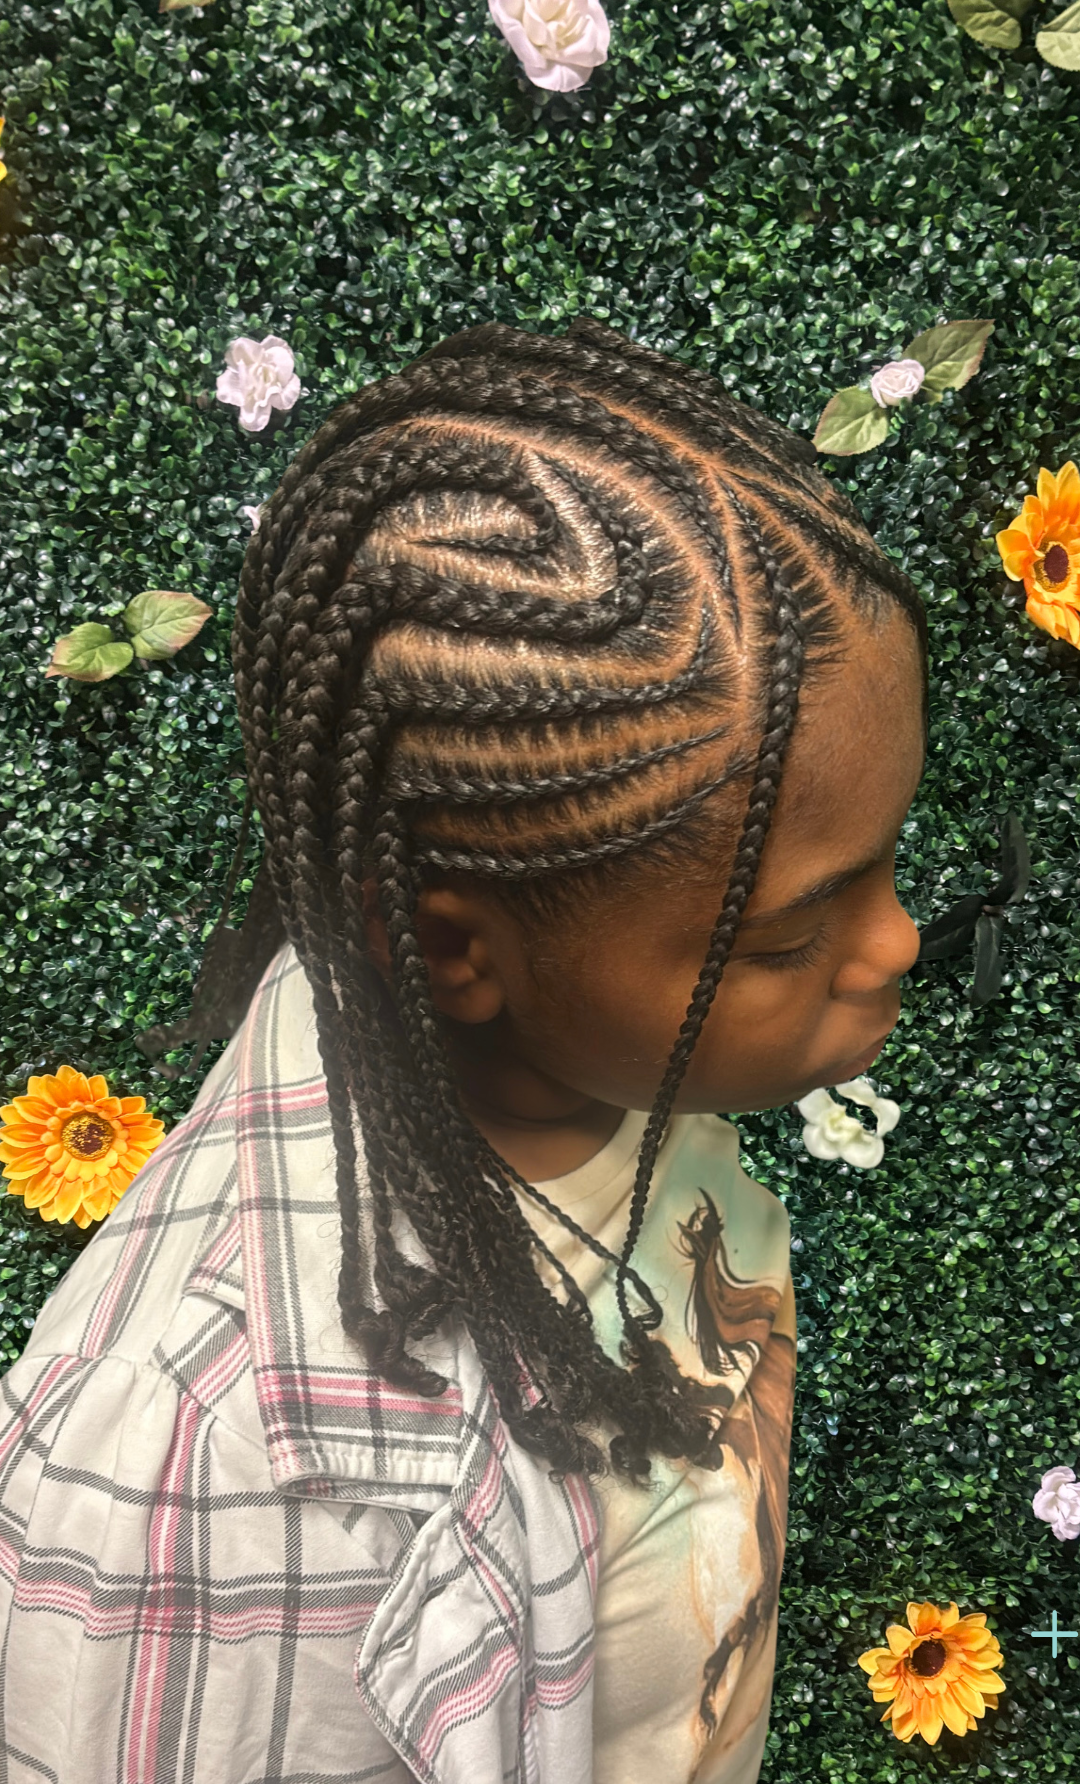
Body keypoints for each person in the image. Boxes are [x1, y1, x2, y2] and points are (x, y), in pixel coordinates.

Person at [0, 318, 927, 1783]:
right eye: (782, 941)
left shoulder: (607, 1074)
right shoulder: (202, 1458)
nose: (897, 947)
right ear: (449, 950)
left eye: (889, 866)